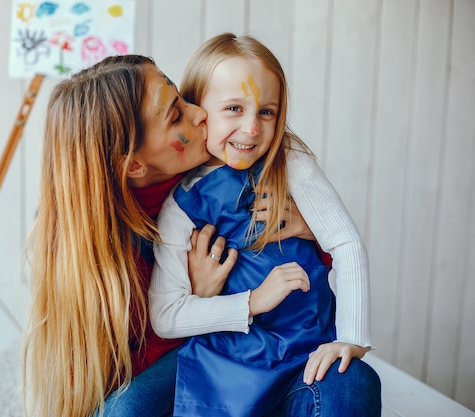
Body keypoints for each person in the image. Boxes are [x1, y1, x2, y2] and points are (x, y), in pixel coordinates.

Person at [22, 54, 311, 417]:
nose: (201, 113)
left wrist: (308, 228)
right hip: (175, 359)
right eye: (176, 115)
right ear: (135, 166)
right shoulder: (81, 246)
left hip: (265, 344)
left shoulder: (217, 172)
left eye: (181, 98)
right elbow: (102, 379)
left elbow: (313, 260)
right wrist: (195, 296)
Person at [149, 33, 381, 416]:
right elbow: (165, 314)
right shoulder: (183, 202)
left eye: (267, 112)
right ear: (199, 110)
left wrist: (352, 339)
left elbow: (346, 243)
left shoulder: (291, 165)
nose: (253, 128)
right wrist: (254, 301)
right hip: (222, 360)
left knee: (351, 384)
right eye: (234, 109)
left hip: (304, 353)